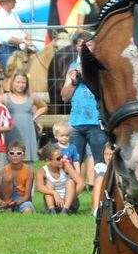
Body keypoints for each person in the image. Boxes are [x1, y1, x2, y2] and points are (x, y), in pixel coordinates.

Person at [60, 33, 106, 183]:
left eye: (89, 45)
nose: (84, 48)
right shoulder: (72, 68)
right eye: (81, 45)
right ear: (76, 47)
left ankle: (100, 194)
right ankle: (71, 198)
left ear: (95, 47)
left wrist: (85, 69)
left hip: (96, 122)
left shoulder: (101, 67)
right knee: (72, 162)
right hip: (76, 123)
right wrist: (73, 82)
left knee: (101, 162)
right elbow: (64, 97)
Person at [0, 0, 35, 72]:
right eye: (14, 0)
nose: (15, 2)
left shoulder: (14, 15)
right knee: (12, 73)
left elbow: (21, 33)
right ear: (7, 1)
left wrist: (26, 37)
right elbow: (5, 38)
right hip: (4, 50)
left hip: (16, 48)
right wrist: (24, 41)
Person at [3, 70, 45, 158]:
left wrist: (35, 118)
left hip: (27, 131)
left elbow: (43, 106)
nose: (20, 85)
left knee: (27, 156)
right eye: (18, 82)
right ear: (13, 82)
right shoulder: (5, 97)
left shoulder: (31, 96)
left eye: (23, 82)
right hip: (12, 131)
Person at [35, 141, 83, 214]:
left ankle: (66, 209)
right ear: (48, 161)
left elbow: (81, 183)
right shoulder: (42, 171)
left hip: (70, 200)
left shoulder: (66, 165)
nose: (62, 160)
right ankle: (51, 209)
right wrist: (54, 193)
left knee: (70, 182)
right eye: (58, 159)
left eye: (62, 157)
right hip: (53, 200)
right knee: (49, 184)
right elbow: (39, 187)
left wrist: (69, 198)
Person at [0, 141, 36, 212]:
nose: (15, 156)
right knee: (8, 176)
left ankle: (14, 208)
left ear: (24, 156)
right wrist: (4, 203)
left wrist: (16, 203)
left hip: (21, 198)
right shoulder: (3, 171)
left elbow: (27, 195)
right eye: (12, 153)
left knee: (28, 210)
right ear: (8, 156)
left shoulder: (29, 171)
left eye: (19, 153)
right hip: (6, 197)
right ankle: (8, 208)